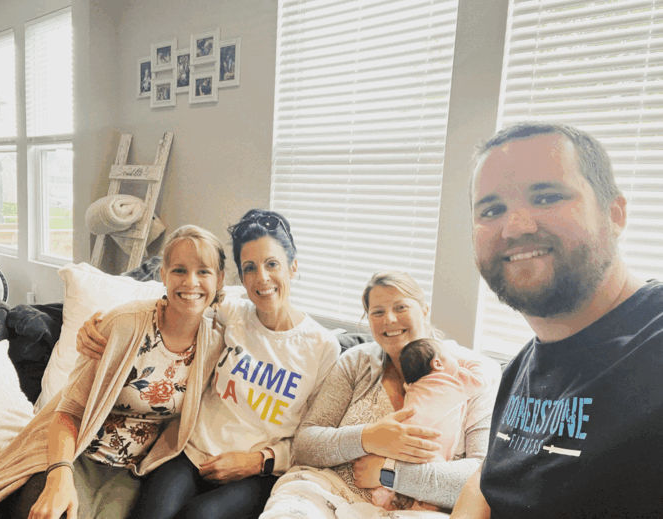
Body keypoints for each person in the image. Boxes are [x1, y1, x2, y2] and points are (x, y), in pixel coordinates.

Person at [451, 122, 663, 518]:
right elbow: (489, 480)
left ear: (615, 214)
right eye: (492, 210)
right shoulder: (522, 367)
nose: (516, 227)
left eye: (547, 197)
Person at [76, 209, 341, 519]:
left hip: (254, 473)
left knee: (199, 516)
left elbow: (314, 436)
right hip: (190, 456)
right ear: (241, 277)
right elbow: (180, 296)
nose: (262, 278)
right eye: (250, 268)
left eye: (272, 264)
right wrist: (102, 323)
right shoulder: (233, 314)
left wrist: (258, 461)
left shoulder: (323, 347)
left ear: (293, 267)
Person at [11, 225, 228, 519]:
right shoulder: (126, 324)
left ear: (220, 280)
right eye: (179, 270)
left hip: (132, 474)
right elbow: (69, 412)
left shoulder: (218, 342)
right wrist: (59, 476)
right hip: (73, 455)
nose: (191, 282)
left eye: (204, 272)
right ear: (163, 275)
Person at [259, 271, 501, 518]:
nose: (390, 319)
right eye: (377, 312)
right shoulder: (356, 362)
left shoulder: (471, 375)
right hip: (327, 493)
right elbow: (305, 445)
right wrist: (368, 438)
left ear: (425, 310)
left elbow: (482, 476)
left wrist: (389, 473)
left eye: (401, 307)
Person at [370, 338, 487, 512]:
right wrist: (461, 362)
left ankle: (384, 493)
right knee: (433, 491)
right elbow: (481, 378)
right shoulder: (455, 382)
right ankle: (422, 507)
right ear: (438, 364)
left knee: (395, 462)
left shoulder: (411, 386)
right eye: (449, 356)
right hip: (429, 449)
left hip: (402, 440)